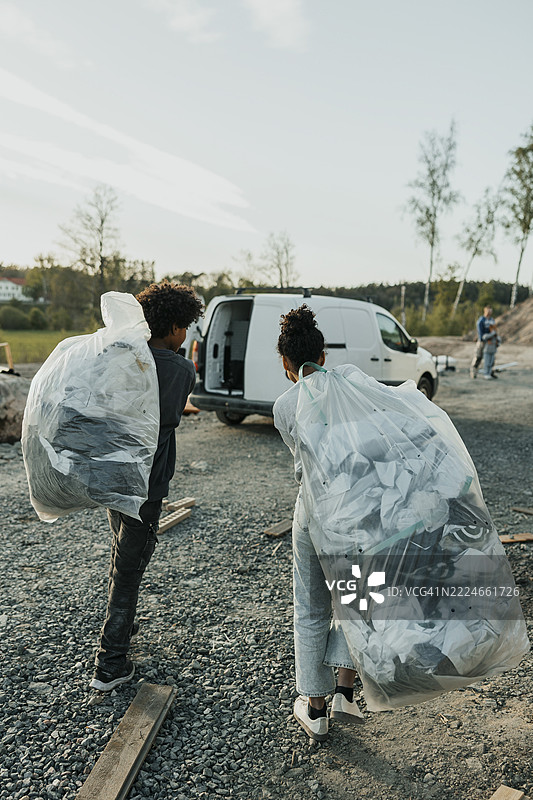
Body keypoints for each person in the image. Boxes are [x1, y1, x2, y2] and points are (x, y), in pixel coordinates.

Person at [91, 282, 204, 692]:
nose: (186, 335)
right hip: (147, 487)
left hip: (113, 477)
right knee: (129, 570)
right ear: (173, 327)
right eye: (184, 327)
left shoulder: (119, 355)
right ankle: (110, 664)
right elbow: (167, 417)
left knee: (121, 555)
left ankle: (122, 624)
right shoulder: (180, 370)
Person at [272, 305, 365, 741]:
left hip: (312, 509)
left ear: (285, 364)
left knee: (310, 608)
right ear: (324, 355)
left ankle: (316, 711)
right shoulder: (350, 381)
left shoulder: (283, 406)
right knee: (356, 599)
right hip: (355, 508)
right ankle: (346, 692)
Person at [470, 305, 496, 379]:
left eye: (490, 311)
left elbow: (494, 329)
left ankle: (490, 372)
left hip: (490, 342)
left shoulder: (492, 320)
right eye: (488, 311)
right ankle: (474, 372)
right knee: (478, 356)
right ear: (485, 311)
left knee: (491, 358)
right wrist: (484, 338)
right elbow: (480, 332)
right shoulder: (481, 320)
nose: (489, 312)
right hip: (482, 341)